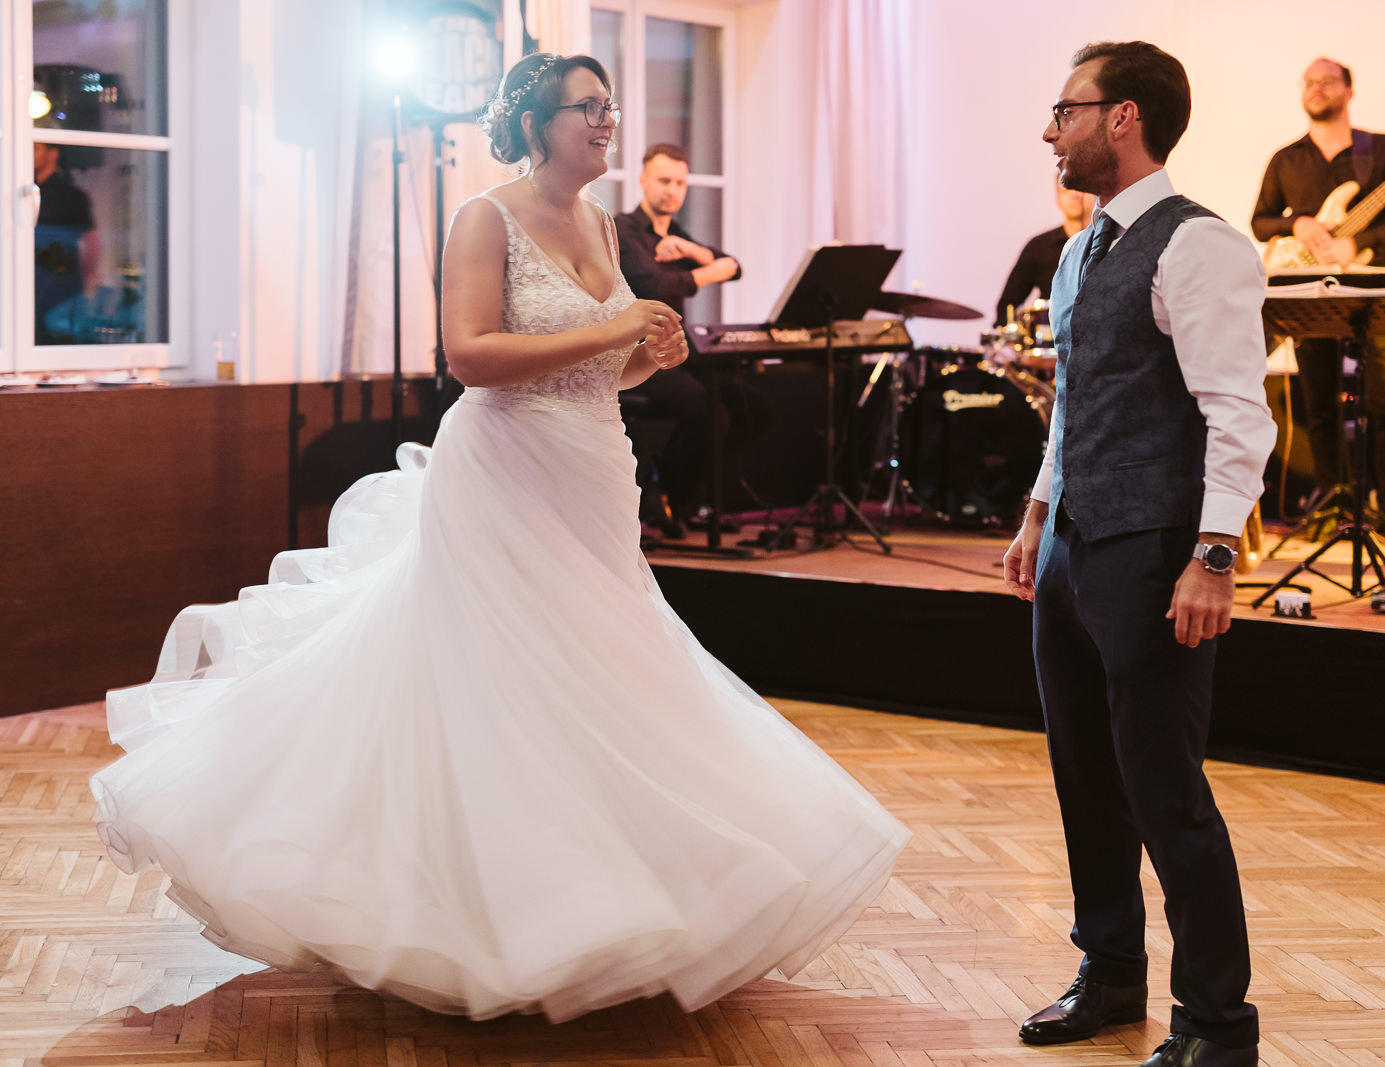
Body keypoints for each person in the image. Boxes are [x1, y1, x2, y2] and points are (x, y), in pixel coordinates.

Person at [90, 52, 907, 1024]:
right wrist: (613, 332)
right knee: (500, 668)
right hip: (504, 467)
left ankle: (610, 889)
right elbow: (471, 354)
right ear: (534, 123)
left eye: (609, 106)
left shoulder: (599, 222)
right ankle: (481, 910)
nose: (606, 121)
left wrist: (650, 357)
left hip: (592, 470)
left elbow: (599, 374)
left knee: (600, 665)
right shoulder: (486, 216)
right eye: (587, 107)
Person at [1002, 41, 1272, 1067]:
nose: (1050, 130)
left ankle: (1216, 1021)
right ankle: (1110, 972)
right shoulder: (1081, 249)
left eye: (1065, 109)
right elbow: (1076, 400)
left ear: (1123, 117)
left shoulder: (1198, 244)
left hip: (1156, 549)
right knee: (1084, 775)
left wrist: (1214, 553)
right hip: (1072, 547)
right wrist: (1038, 512)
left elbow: (1237, 414)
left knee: (1166, 789)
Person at [1251, 58, 1385, 553]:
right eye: (1308, 81)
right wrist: (1296, 224)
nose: (1315, 88)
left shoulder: (1384, 149)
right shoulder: (1286, 159)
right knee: (1320, 405)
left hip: (1371, 290)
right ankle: (1332, 504)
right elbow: (1260, 221)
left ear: (1349, 90)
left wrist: (1361, 243)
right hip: (1309, 290)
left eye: (1327, 80)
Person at [616, 144, 743, 537]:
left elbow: (735, 267)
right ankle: (668, 498)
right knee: (711, 412)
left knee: (748, 406)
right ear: (643, 180)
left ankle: (681, 498)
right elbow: (654, 285)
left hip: (678, 351)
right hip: (638, 356)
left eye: (680, 183)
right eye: (664, 181)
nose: (672, 190)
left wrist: (689, 249)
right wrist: (707, 271)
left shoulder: (675, 236)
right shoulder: (624, 229)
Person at [995, 182, 1093, 325]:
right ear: (1058, 198)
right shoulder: (1038, 246)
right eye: (1067, 189)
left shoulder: (1110, 242)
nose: (1075, 195)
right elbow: (1007, 306)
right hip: (1050, 335)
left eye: (1080, 188)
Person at [33, 141, 100, 344]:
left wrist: (88, 280)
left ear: (53, 153)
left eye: (35, 148)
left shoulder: (72, 196)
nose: (28, 153)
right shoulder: (22, 192)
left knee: (57, 337)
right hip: (28, 282)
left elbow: (91, 242)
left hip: (60, 284)